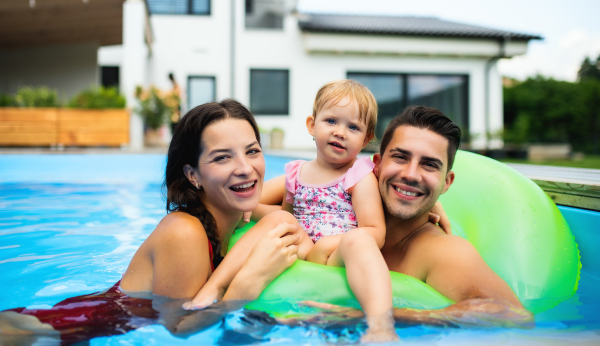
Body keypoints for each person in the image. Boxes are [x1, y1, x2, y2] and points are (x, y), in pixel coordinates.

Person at [0, 100, 305, 343]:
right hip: (41, 333)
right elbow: (179, 327)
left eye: (252, 151)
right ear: (192, 175)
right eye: (222, 158)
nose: (245, 168)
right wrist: (250, 281)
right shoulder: (185, 231)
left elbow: (289, 201)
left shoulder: (231, 214)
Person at [187, 81, 444, 342]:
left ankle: (380, 326)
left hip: (336, 253)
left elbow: (375, 231)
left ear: (366, 138)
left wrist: (329, 244)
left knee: (359, 239)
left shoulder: (359, 174)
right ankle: (214, 287)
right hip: (303, 248)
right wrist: (249, 211)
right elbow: (270, 208)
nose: (340, 132)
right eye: (331, 121)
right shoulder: (296, 172)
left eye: (353, 127)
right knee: (280, 218)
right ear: (312, 124)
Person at [287, 105, 532, 327]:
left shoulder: (442, 252)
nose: (411, 174)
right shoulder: (338, 206)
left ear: (446, 183)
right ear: (377, 165)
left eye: (429, 165)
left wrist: (385, 317)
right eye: (401, 157)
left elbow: (512, 314)